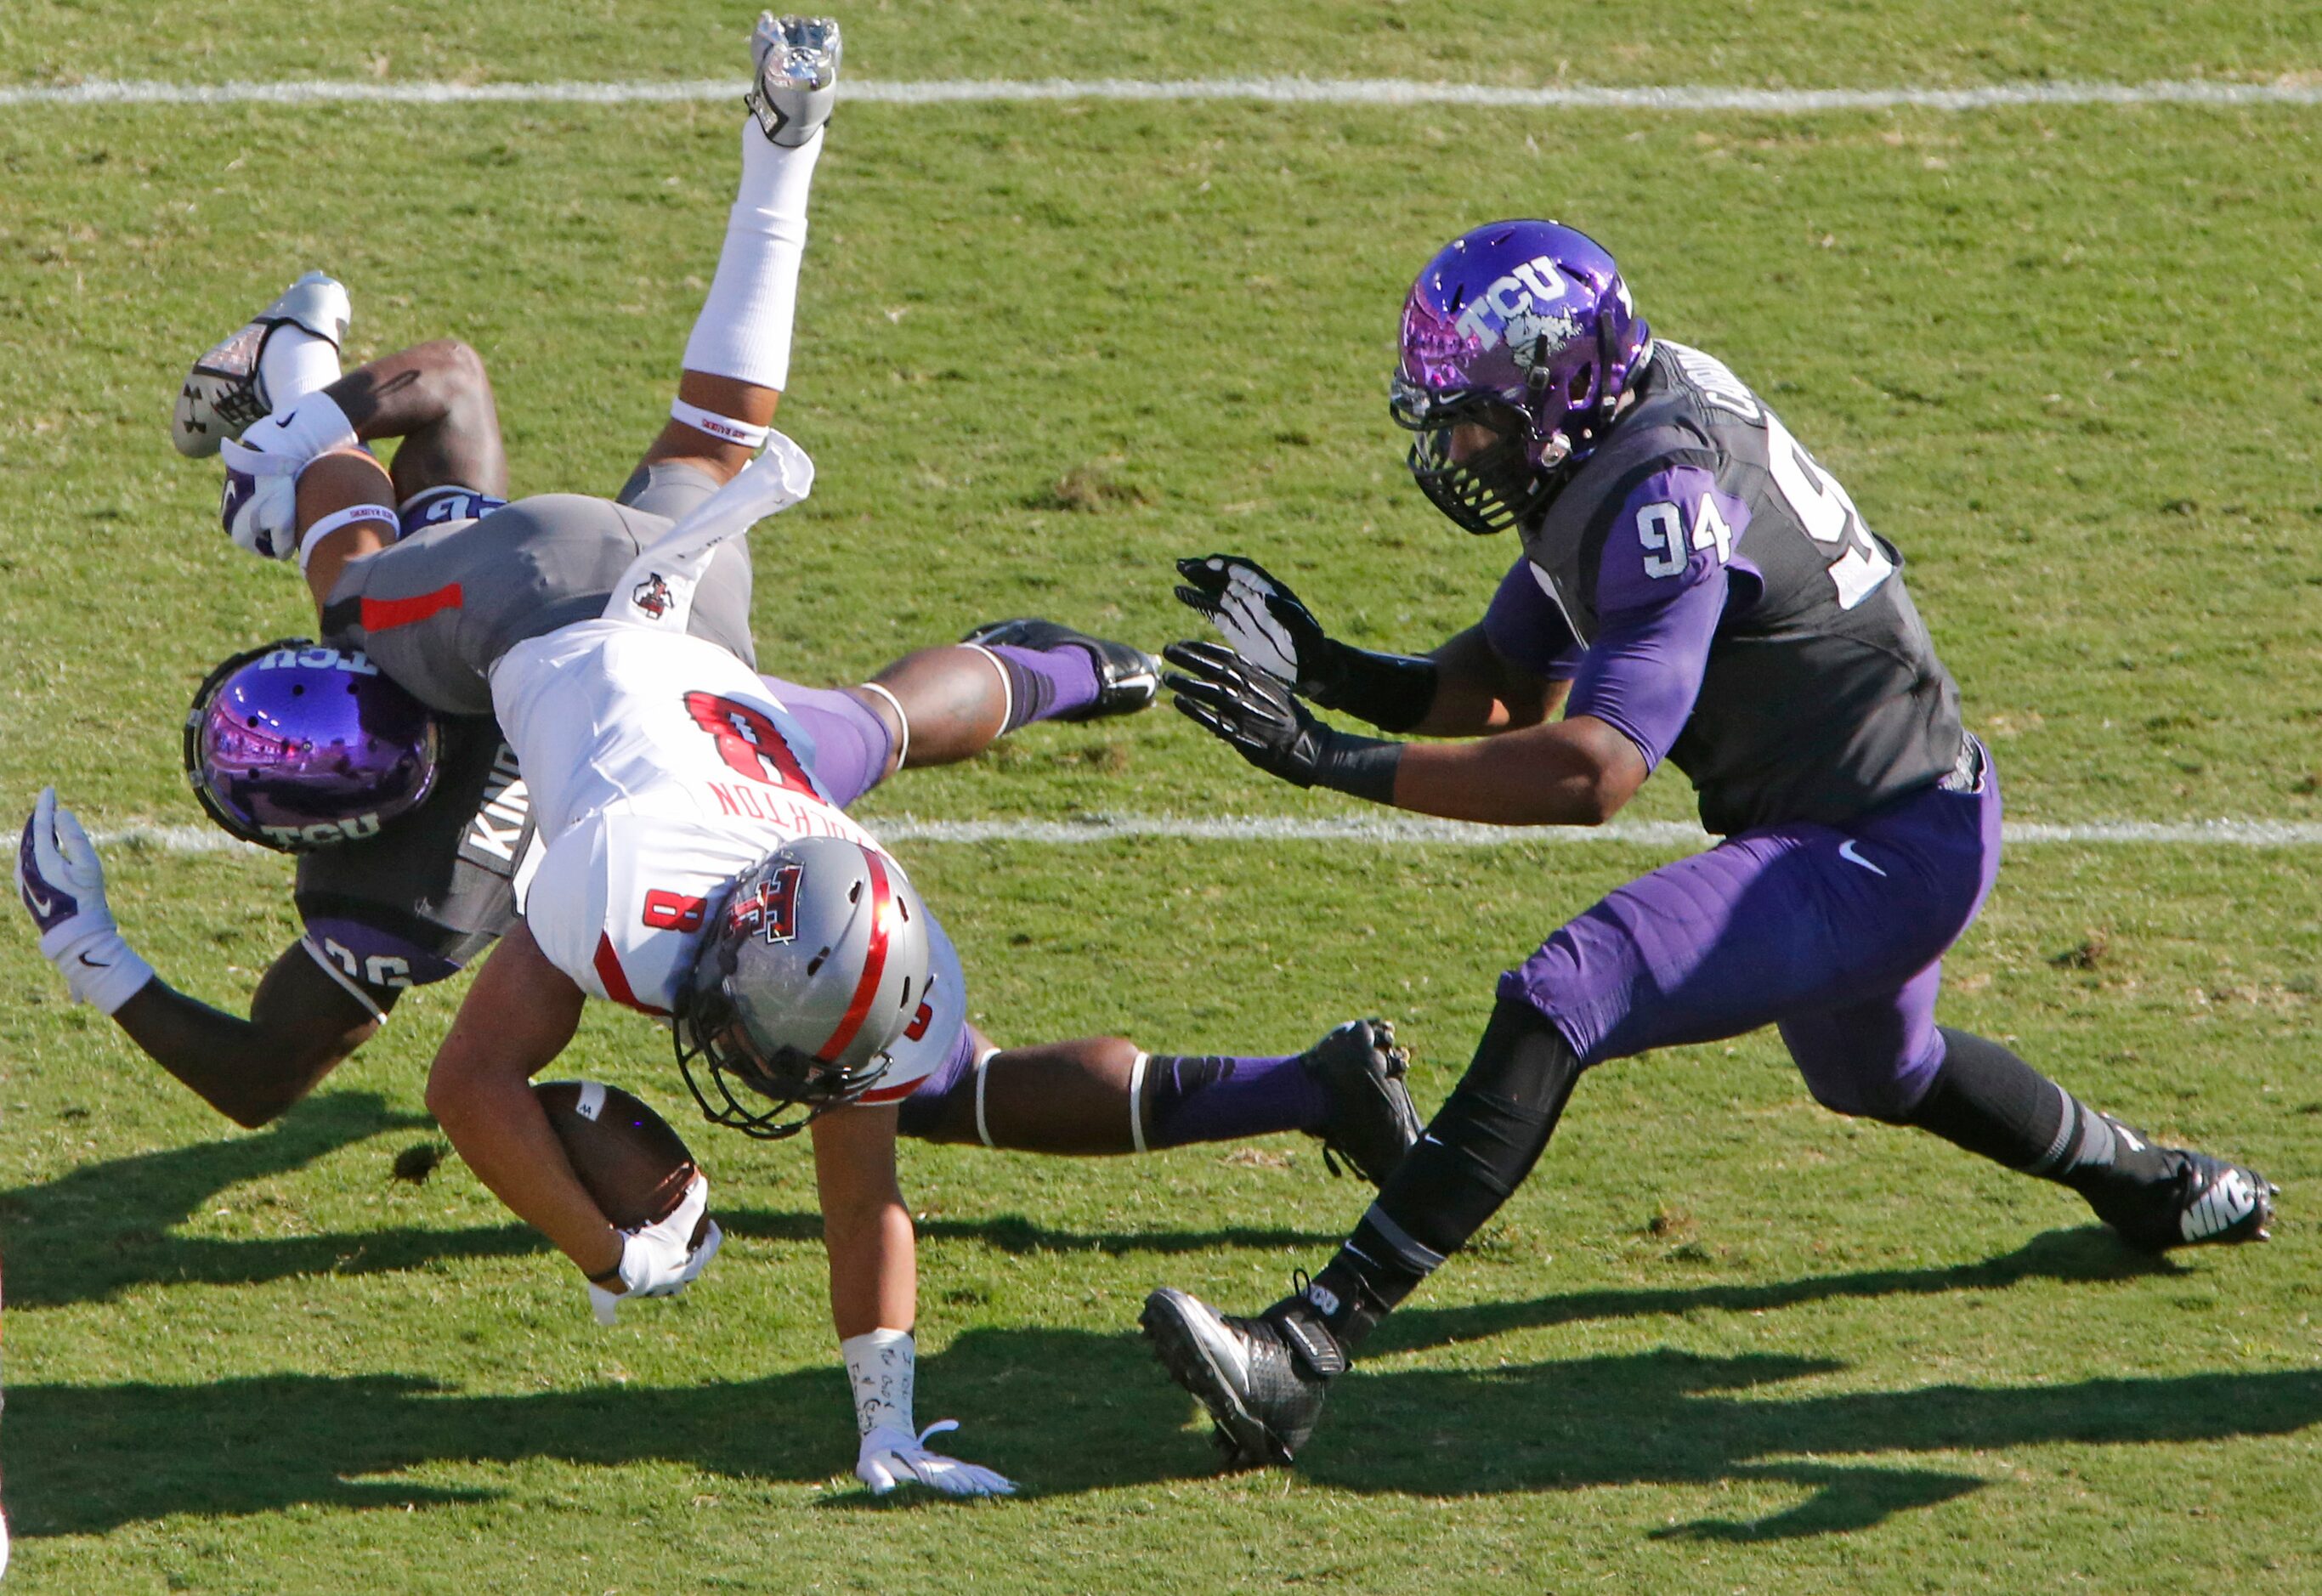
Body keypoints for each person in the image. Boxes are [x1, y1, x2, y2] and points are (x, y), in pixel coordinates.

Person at [15, 15, 1421, 1497]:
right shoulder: (621, 889)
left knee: (822, 619)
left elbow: (864, 1173)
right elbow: (472, 1088)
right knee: (362, 608)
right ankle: (294, 402)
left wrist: (885, 1425)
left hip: (712, 657)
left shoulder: (867, 929)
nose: (758, 1074)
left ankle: (795, 158)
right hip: (557, 598)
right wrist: (607, 1251)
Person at [1139, 218, 2278, 1468]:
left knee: (1568, 987)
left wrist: (1320, 757)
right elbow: (1502, 689)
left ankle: (1302, 1349)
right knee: (1876, 1072)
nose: (1453, 445)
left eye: (1474, 417)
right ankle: (2140, 1177)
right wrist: (1323, 659)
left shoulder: (1657, 491)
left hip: (1885, 839)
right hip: (1861, 816)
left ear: (1559, 393)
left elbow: (1595, 768)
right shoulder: (1609, 440)